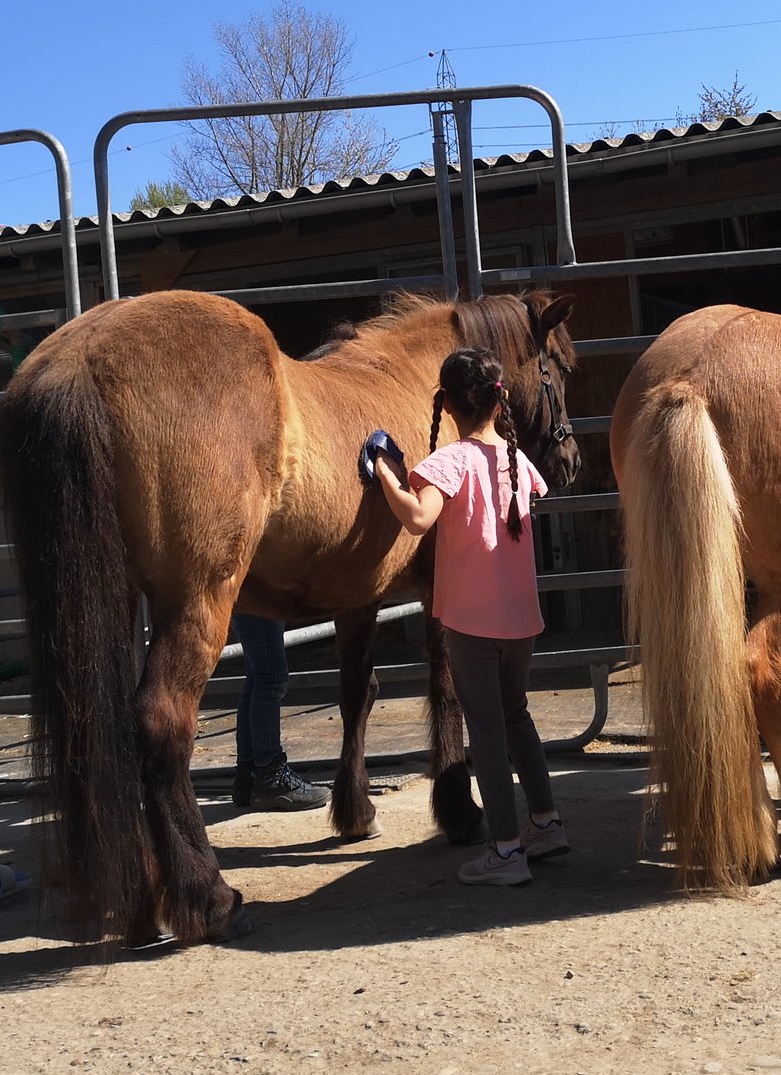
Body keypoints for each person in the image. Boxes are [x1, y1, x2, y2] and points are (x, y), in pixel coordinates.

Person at [367, 347, 565, 886]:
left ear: (446, 404)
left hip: (471, 623)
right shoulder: (518, 460)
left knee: (486, 731)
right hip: (521, 617)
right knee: (516, 714)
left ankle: (505, 852)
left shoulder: (447, 463)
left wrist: (384, 470)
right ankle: (545, 823)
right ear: (500, 401)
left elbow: (416, 519)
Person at [226, 613, 328, 810]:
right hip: (262, 596)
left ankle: (248, 776)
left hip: (252, 597)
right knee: (270, 678)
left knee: (257, 678)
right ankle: (270, 778)